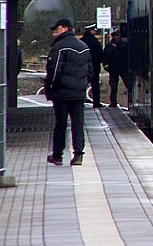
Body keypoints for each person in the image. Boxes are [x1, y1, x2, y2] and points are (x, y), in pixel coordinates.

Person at [45, 18, 93, 166]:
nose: (55, 31)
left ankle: (57, 155)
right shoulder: (84, 47)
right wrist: (82, 85)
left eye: (57, 28)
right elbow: (90, 71)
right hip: (78, 93)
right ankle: (78, 155)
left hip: (62, 92)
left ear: (65, 28)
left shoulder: (59, 47)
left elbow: (54, 70)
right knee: (78, 123)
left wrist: (50, 87)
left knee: (61, 123)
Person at [103, 29, 130, 108]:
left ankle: (130, 100)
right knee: (113, 86)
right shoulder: (109, 46)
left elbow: (125, 55)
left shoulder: (124, 45)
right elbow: (105, 56)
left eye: (117, 35)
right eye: (115, 36)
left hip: (123, 68)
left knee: (128, 84)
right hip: (113, 68)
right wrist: (106, 65)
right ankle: (113, 101)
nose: (116, 37)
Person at [80, 24, 104, 108]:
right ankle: (96, 102)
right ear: (90, 31)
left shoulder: (81, 41)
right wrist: (101, 61)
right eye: (94, 30)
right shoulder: (94, 41)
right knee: (95, 84)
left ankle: (80, 102)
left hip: (82, 66)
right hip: (94, 65)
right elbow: (99, 53)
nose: (95, 32)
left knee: (82, 84)